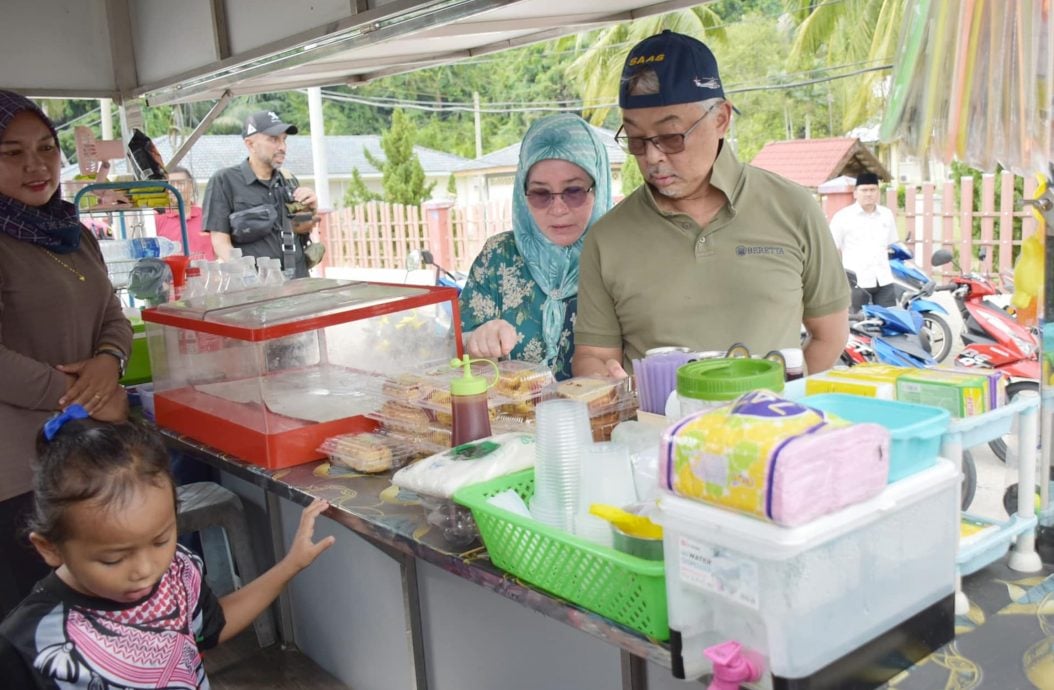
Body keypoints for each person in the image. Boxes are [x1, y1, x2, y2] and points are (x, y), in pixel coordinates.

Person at [572, 31, 849, 378]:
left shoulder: (793, 209)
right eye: (637, 140)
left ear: (720, 119)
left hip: (768, 426)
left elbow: (830, 335)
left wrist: (783, 400)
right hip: (657, 431)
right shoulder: (608, 238)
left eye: (671, 137)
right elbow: (594, 356)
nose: (653, 157)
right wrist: (602, 381)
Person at [0, 410, 335, 687]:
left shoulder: (178, 569)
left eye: (161, 540)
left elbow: (209, 628)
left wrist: (291, 564)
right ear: (50, 548)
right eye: (113, 558)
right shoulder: (27, 643)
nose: (146, 569)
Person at [0, 90, 132, 618]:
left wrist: (109, 361)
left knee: (100, 620)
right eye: (11, 152)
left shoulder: (73, 233)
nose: (36, 165)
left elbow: (112, 315)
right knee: (36, 630)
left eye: (47, 148)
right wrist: (84, 400)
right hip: (17, 477)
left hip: (85, 458)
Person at [459, 114, 612, 380]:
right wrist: (475, 343)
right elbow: (455, 355)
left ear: (598, 187)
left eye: (574, 191)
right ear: (522, 193)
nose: (558, 209)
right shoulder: (498, 258)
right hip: (511, 419)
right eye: (541, 193)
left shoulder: (617, 256)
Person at [201, 111, 319, 278]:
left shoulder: (289, 180)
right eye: (273, 139)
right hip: (257, 287)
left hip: (297, 281)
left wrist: (312, 208)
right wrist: (246, 277)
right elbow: (220, 241)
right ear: (250, 144)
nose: (282, 147)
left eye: (284, 140)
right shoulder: (225, 180)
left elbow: (300, 227)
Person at [828, 172, 900, 309]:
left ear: (878, 192)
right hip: (857, 283)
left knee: (889, 324)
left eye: (872, 190)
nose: (868, 194)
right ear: (855, 193)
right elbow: (832, 248)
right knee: (856, 325)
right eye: (864, 190)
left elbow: (891, 244)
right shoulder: (843, 217)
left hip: (883, 280)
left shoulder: (886, 215)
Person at [156, 165, 215, 260]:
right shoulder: (157, 220)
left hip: (206, 273)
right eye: (170, 184)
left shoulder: (207, 216)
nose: (175, 189)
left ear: (191, 186)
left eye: (180, 183)